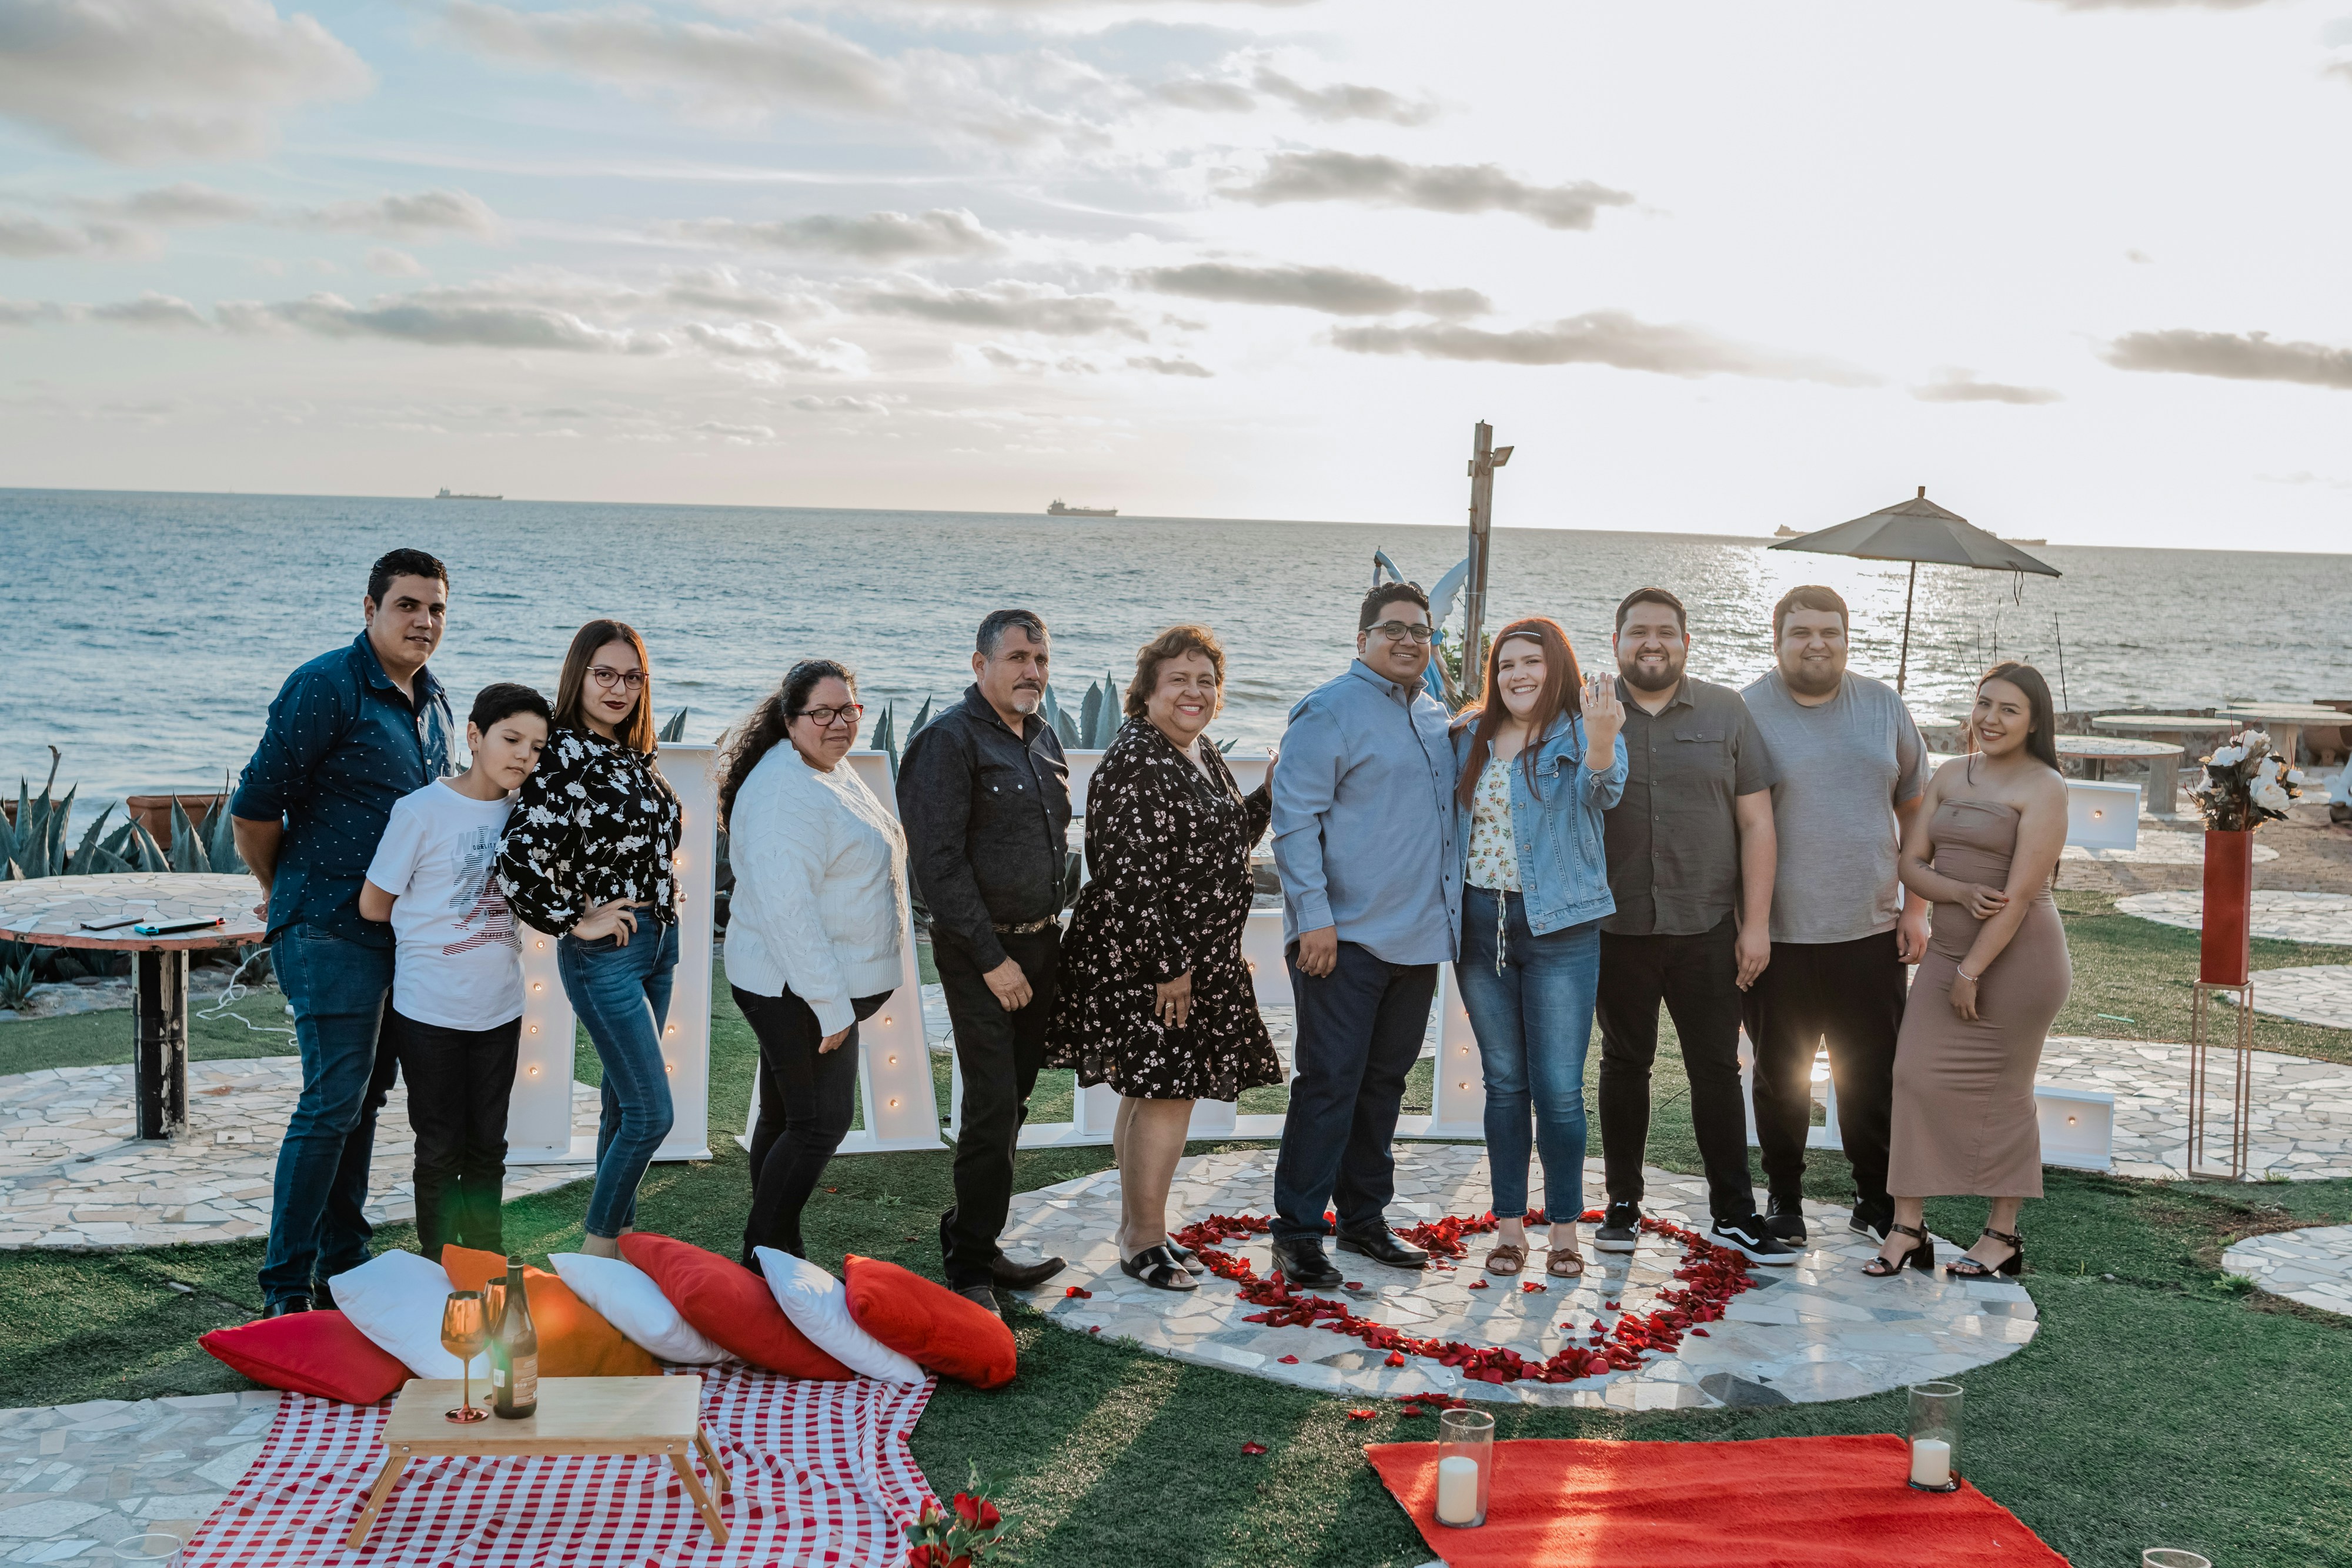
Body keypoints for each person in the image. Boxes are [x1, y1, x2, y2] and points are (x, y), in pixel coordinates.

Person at [231, 548, 457, 1317]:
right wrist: (282, 891)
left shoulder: (436, 702)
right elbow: (254, 810)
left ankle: (343, 1267)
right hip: (326, 925)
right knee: (332, 1100)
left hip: (400, 935)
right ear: (370, 609)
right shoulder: (325, 685)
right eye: (407, 605)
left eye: (435, 608)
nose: (423, 621)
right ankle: (284, 1289)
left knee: (363, 1099)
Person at [1045, 626, 1284, 1291]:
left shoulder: (1196, 750)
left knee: (1150, 1089)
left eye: (1206, 680)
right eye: (1178, 678)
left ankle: (1139, 1224)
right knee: (1169, 1092)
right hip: (1151, 959)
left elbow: (1222, 840)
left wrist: (1267, 793)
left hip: (1190, 955)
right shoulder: (1136, 759)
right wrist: (1169, 967)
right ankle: (1143, 1238)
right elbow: (1126, 875)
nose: (1194, 691)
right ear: (1147, 691)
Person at [1592, 589, 1796, 1266]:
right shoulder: (1589, 709)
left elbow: (1756, 822)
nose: (1652, 643)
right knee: (1625, 1064)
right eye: (1637, 632)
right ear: (1617, 642)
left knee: (1715, 1069)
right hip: (1615, 925)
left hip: (1706, 925)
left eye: (1665, 632)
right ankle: (1622, 1203)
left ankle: (1733, 1213)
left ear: (1686, 641)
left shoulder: (1725, 710)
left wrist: (1755, 925)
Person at [1267, 580, 1462, 1290]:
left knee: (1383, 1086)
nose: (1409, 641)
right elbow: (1293, 820)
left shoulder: (1437, 717)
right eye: (1393, 629)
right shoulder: (1328, 710)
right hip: (1341, 939)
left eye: (1421, 631)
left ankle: (1363, 1218)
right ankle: (1296, 1231)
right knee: (1329, 1085)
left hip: (1417, 941)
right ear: (1363, 640)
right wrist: (1313, 918)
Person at [1740, 586, 1929, 1245]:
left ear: (1847, 639)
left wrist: (1916, 909)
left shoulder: (1883, 706)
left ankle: (1874, 1199)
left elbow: (1917, 811)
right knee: (1779, 1078)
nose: (1816, 643)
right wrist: (1747, 926)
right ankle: (1784, 1198)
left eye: (1829, 631)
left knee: (1872, 1078)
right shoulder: (1747, 711)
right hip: (1778, 936)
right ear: (1777, 640)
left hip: (1871, 931)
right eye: (1801, 632)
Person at [897, 609, 1072, 1318]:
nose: (1032, 671)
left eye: (1041, 659)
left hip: (1041, 945)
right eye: (1018, 658)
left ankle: (977, 1237)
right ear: (980, 665)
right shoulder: (946, 741)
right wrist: (994, 959)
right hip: (979, 951)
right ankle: (969, 1268)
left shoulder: (1043, 736)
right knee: (992, 1106)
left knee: (1014, 1102)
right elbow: (936, 865)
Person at [1871, 662, 2071, 1279]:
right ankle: (1908, 1227)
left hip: (2019, 962)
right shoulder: (1951, 773)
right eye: (1985, 704)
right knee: (1911, 1076)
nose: (1991, 718)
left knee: (2005, 1093)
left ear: (2033, 722)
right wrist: (1956, 894)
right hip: (1948, 955)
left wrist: (1973, 969)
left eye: (2009, 709)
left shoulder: (2045, 787)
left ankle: (2002, 1235)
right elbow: (1910, 864)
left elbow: (2019, 894)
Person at [496, 620, 682, 1261]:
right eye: (604, 674)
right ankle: (598, 1249)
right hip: (606, 955)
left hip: (658, 944)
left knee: (623, 1107)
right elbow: (517, 856)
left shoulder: (632, 754)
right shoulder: (563, 755)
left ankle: (620, 1244)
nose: (619, 688)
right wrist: (576, 918)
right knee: (653, 1114)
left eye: (632, 677)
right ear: (578, 675)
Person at [1451, 618, 1626, 1279]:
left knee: (1557, 1090)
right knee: (1503, 1084)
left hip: (1561, 928)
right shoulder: (1468, 735)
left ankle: (1563, 1232)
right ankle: (1507, 1229)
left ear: (1557, 668)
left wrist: (1602, 742)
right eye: (1506, 664)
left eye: (1532, 662)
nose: (1518, 674)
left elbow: (1604, 791)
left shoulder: (1585, 730)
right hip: (1478, 926)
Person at [723, 659, 906, 1271]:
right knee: (821, 1123)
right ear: (789, 719)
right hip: (795, 988)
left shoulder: (824, 767)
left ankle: (778, 1251)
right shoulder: (784, 793)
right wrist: (831, 1006)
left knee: (784, 1118)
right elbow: (788, 912)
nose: (839, 723)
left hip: (800, 983)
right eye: (821, 712)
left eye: (848, 709)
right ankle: (761, 1257)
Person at [358, 683, 551, 1262]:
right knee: (440, 1147)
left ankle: (487, 1259)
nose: (523, 755)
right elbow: (374, 903)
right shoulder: (421, 811)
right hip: (429, 1011)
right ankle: (441, 1261)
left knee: (489, 1146)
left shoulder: (530, 816)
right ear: (474, 735)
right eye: (511, 739)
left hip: (501, 1009)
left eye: (538, 747)